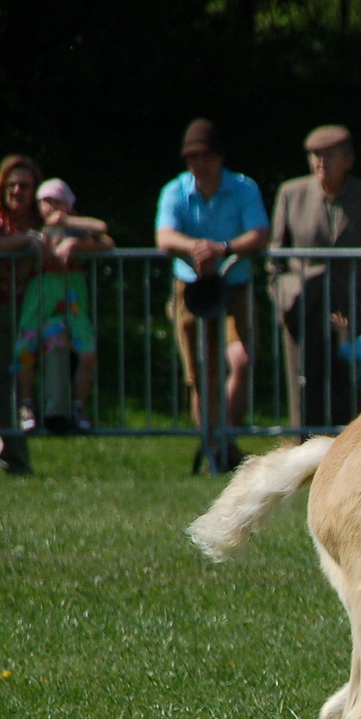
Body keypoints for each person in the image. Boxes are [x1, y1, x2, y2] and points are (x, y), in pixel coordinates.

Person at [267, 123, 361, 431]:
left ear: (349, 160)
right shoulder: (291, 193)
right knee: (304, 388)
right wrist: (284, 297)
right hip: (303, 311)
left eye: (329, 155)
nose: (320, 162)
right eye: (314, 155)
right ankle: (304, 452)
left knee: (354, 391)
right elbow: (275, 259)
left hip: (355, 312)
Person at [155, 118, 268, 471]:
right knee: (202, 375)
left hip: (233, 285)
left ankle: (225, 435)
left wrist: (223, 248)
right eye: (192, 158)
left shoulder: (243, 188)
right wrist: (196, 248)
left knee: (241, 360)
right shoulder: (175, 191)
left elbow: (259, 233)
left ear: (219, 157)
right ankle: (216, 448)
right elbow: (164, 237)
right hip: (191, 288)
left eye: (205, 156)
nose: (198, 164)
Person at [13, 178, 113, 436]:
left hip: (72, 302)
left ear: (68, 205)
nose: (50, 208)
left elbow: (105, 234)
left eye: (56, 201)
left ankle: (78, 408)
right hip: (39, 302)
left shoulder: (76, 231)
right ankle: (26, 406)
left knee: (87, 352)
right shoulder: (34, 232)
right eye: (44, 202)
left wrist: (74, 240)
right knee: (25, 351)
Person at [0, 155, 42, 474]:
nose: (18, 191)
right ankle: (13, 457)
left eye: (25, 185)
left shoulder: (41, 220)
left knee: (26, 386)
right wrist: (26, 241)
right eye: (12, 185)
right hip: (0, 308)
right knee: (4, 383)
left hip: (35, 311)